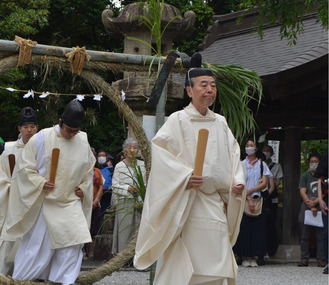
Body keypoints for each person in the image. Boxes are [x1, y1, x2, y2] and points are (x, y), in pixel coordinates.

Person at [134, 52, 246, 284]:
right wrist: (184, 177)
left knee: (216, 263)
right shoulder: (177, 120)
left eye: (213, 86)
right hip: (186, 203)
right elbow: (161, 155)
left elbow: (234, 156)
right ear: (189, 91)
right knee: (185, 266)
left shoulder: (221, 123)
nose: (209, 90)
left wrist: (237, 182)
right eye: (203, 85)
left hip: (214, 201)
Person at [2, 99, 95, 283]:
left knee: (74, 243)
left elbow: (89, 169)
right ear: (60, 122)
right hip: (45, 201)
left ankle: (63, 281)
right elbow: (24, 168)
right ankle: (24, 281)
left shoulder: (82, 140)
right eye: (68, 130)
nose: (71, 135)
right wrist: (39, 182)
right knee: (36, 248)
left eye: (75, 131)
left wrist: (83, 187)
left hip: (70, 202)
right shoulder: (42, 137)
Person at [0, 107, 39, 275]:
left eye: (32, 126)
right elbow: (1, 174)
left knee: (31, 241)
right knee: (8, 240)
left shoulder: (41, 148)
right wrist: (9, 186)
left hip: (34, 201)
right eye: (25, 127)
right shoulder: (8, 149)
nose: (29, 130)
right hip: (12, 201)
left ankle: (26, 277)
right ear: (19, 129)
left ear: (37, 127)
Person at [235, 138, 271, 267]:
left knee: (258, 229)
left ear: (256, 148)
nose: (249, 147)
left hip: (258, 199)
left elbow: (264, 183)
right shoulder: (241, 164)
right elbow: (238, 182)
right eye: (247, 145)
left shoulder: (262, 164)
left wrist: (252, 190)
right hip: (243, 199)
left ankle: (255, 256)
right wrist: (248, 197)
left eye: (252, 145)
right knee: (244, 229)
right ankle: (243, 256)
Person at [111, 138, 146, 255]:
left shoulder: (142, 165)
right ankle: (123, 256)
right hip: (125, 201)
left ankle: (137, 257)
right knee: (125, 230)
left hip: (140, 202)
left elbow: (147, 183)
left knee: (139, 229)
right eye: (129, 148)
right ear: (124, 151)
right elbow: (115, 186)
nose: (132, 150)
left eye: (135, 148)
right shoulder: (119, 166)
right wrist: (128, 188)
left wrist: (142, 189)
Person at [297, 152, 325, 267]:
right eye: (312, 162)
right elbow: (302, 191)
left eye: (316, 162)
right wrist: (310, 204)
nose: (314, 164)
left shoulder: (323, 176)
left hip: (320, 204)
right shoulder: (305, 176)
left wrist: (316, 203)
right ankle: (304, 258)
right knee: (304, 233)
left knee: (321, 235)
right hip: (307, 205)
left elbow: (324, 192)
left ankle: (321, 259)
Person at [262, 145, 283, 257]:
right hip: (260, 197)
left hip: (272, 198)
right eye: (265, 150)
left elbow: (278, 181)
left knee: (272, 224)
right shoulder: (259, 164)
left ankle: (271, 250)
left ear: (273, 153)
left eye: (268, 151)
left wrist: (269, 190)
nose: (266, 152)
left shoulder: (277, 166)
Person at [86, 148, 103, 259]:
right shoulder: (79, 169)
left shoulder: (96, 171)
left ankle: (91, 253)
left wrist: (96, 199)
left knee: (93, 230)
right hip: (82, 203)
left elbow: (101, 186)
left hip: (95, 204)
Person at [314, 152, 328, 274]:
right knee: (327, 232)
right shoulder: (326, 156)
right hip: (327, 197)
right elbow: (320, 178)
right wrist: (320, 199)